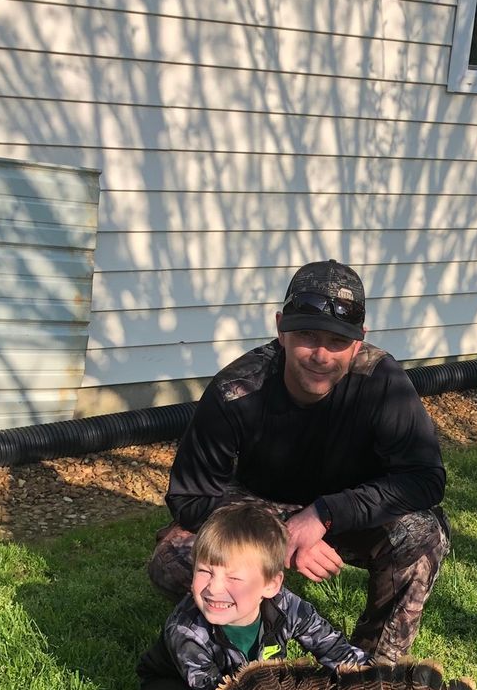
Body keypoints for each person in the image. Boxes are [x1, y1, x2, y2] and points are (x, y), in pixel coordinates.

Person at [148, 260, 450, 664]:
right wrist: (283, 536)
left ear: (359, 341)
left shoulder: (382, 382)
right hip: (260, 505)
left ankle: (375, 670)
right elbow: (189, 497)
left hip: (346, 510)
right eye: (307, 334)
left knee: (423, 534)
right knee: (174, 559)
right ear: (281, 329)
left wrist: (325, 515)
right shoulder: (236, 389)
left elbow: (425, 479)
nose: (321, 354)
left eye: (337, 341)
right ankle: (249, 641)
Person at [133, 501, 369, 690]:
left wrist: (371, 683)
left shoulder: (288, 607)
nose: (214, 588)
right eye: (205, 571)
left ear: (271, 585)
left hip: (250, 683)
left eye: (234, 577)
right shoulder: (186, 629)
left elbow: (334, 648)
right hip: (184, 686)